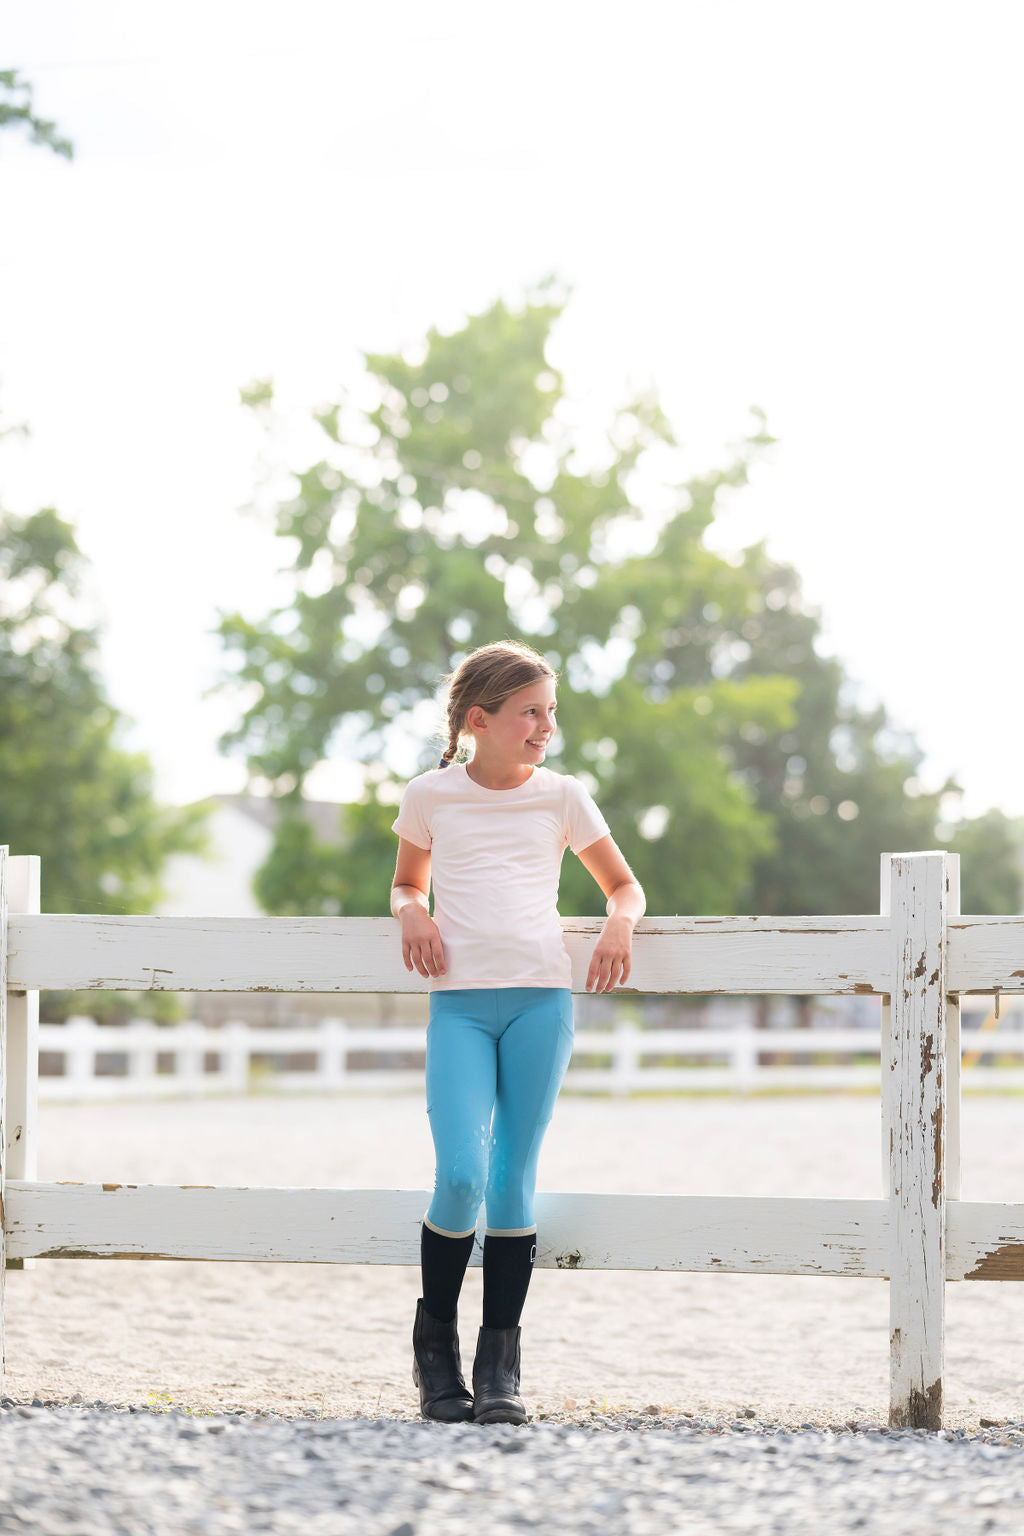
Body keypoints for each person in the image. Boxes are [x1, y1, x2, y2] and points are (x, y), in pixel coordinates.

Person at [390, 640, 646, 1425]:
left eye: (550, 711)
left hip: (542, 1001)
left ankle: (499, 1365)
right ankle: (435, 1350)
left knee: (512, 1182)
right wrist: (411, 911)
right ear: (482, 720)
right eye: (531, 712)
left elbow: (625, 887)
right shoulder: (430, 796)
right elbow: (406, 882)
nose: (546, 727)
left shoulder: (564, 797)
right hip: (460, 1006)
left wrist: (616, 927)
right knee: (462, 1176)